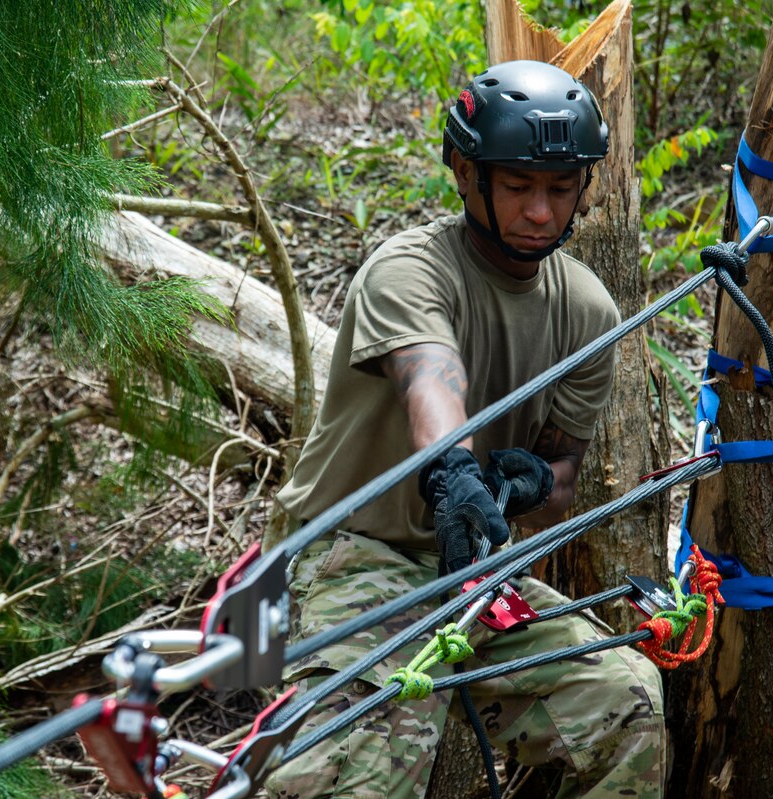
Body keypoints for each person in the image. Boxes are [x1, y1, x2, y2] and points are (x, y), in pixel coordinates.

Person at [264, 60, 665, 799]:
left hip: (474, 579)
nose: (541, 211)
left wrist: (533, 483)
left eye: (559, 188)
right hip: (350, 553)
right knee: (358, 760)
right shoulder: (409, 271)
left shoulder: (588, 312)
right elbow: (431, 380)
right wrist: (455, 475)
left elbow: (563, 481)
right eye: (517, 186)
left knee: (626, 700)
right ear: (464, 172)